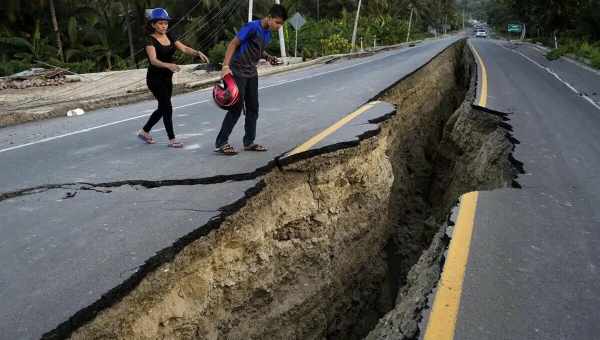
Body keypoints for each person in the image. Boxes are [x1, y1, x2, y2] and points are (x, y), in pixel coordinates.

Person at [214, 4, 288, 155]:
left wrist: (268, 57)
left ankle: (249, 142)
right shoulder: (252, 27)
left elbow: (258, 50)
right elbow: (233, 44)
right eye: (277, 22)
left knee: (253, 108)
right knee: (236, 107)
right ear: (269, 17)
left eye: (281, 24)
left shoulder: (268, 33)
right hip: (237, 69)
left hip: (251, 72)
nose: (279, 26)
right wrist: (225, 66)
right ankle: (221, 142)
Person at [137, 7, 209, 148]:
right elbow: (153, 60)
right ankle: (172, 140)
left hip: (167, 78)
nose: (164, 26)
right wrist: (168, 65)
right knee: (167, 107)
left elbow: (184, 48)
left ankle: (144, 131)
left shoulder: (169, 35)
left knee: (162, 107)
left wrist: (197, 52)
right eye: (160, 23)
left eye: (166, 23)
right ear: (153, 25)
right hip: (154, 79)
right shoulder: (149, 40)